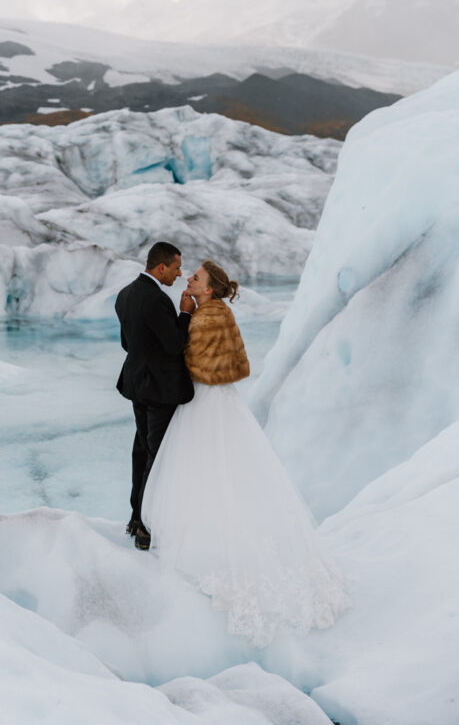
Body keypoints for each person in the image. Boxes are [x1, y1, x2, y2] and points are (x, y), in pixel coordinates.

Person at [142, 259, 348, 645]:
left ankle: (208, 539)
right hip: (222, 400)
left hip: (205, 399)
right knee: (228, 467)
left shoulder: (206, 318)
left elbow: (198, 364)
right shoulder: (219, 310)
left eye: (196, 277)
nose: (189, 278)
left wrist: (177, 339)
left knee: (204, 465)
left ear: (207, 289)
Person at [115, 241, 195, 550]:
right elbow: (175, 345)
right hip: (160, 390)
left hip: (137, 385)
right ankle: (146, 527)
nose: (179, 273)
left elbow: (127, 344)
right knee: (157, 457)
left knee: (142, 451)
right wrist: (185, 314)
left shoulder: (125, 295)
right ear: (161, 267)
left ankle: (136, 516)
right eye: (176, 268)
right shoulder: (157, 300)